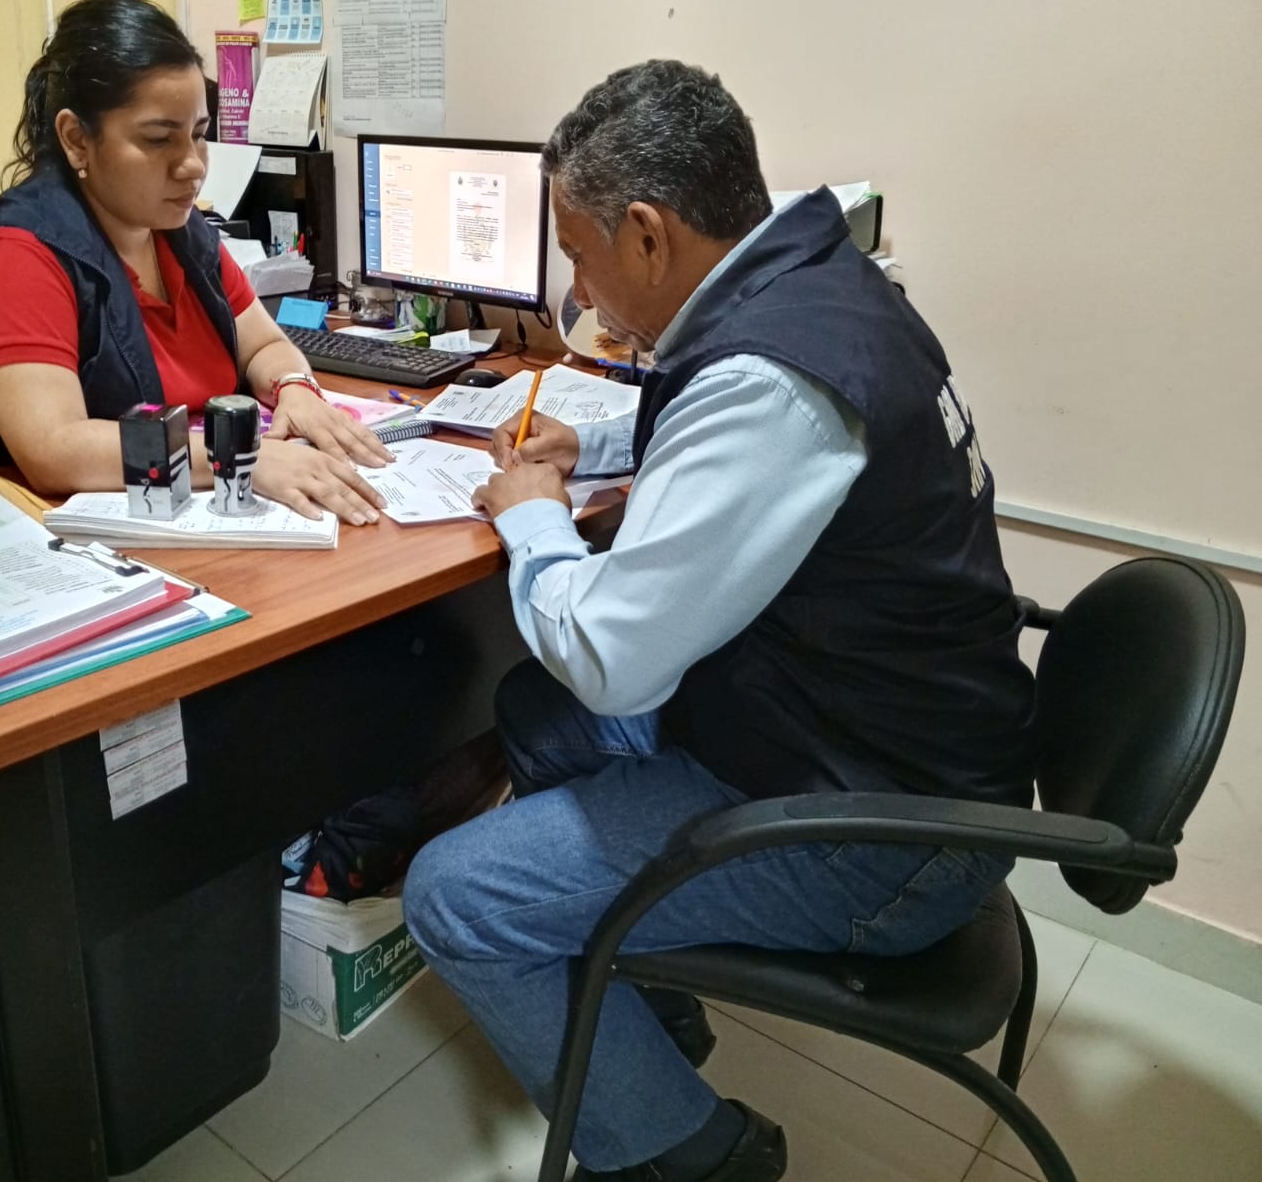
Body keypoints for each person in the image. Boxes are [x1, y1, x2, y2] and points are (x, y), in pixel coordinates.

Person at [401, 60, 1038, 1182]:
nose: (578, 288)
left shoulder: (772, 381)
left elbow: (611, 659)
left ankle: (692, 1155)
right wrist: (593, 448)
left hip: (882, 832)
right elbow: (729, 441)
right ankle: (637, 1000)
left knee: (455, 894)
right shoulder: (819, 284)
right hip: (881, 741)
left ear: (648, 234)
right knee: (537, 712)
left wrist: (534, 517)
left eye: (580, 252)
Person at [0, 0, 391, 523]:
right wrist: (239, 457)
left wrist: (294, 389)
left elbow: (263, 345)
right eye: (157, 139)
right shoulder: (17, 254)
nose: (193, 165)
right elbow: (53, 450)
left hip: (180, 508)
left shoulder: (178, 231)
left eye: (198, 134)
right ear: (76, 140)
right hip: (39, 526)